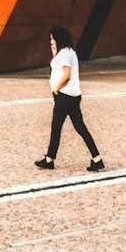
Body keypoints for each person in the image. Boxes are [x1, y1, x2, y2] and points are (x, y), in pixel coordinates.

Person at [35, 25, 104, 172]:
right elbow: (59, 68)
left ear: (58, 38)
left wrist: (57, 88)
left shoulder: (66, 53)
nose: (51, 40)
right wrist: (54, 52)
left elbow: (67, 74)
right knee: (80, 128)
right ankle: (97, 158)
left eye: (52, 38)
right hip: (73, 96)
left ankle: (49, 159)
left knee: (56, 128)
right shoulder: (67, 52)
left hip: (65, 96)